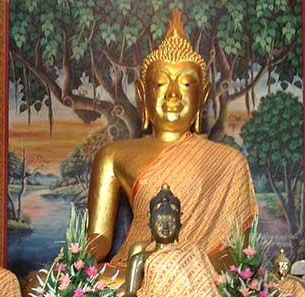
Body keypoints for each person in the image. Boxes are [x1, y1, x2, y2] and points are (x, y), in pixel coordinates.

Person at [86, 9, 257, 272]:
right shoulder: (113, 155)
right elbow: (100, 238)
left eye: (187, 84)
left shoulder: (228, 162)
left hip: (197, 273)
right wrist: (74, 261)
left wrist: (190, 269)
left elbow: (237, 251)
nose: (173, 94)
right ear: (142, 93)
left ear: (203, 95)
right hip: (135, 270)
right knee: (44, 282)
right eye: (161, 84)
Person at [115, 185, 231, 297]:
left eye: (170, 221)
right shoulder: (140, 258)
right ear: (150, 224)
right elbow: (131, 292)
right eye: (160, 221)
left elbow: (204, 291)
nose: (165, 226)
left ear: (179, 226)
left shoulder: (191, 254)